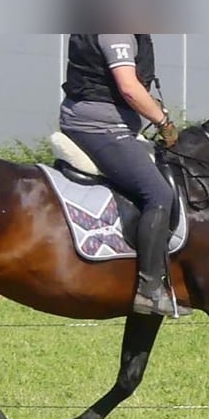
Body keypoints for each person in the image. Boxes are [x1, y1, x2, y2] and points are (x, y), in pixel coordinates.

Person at [59, 34, 191, 317]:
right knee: (158, 193)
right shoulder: (117, 30)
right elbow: (129, 88)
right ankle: (149, 290)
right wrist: (163, 122)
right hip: (98, 127)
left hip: (102, 121)